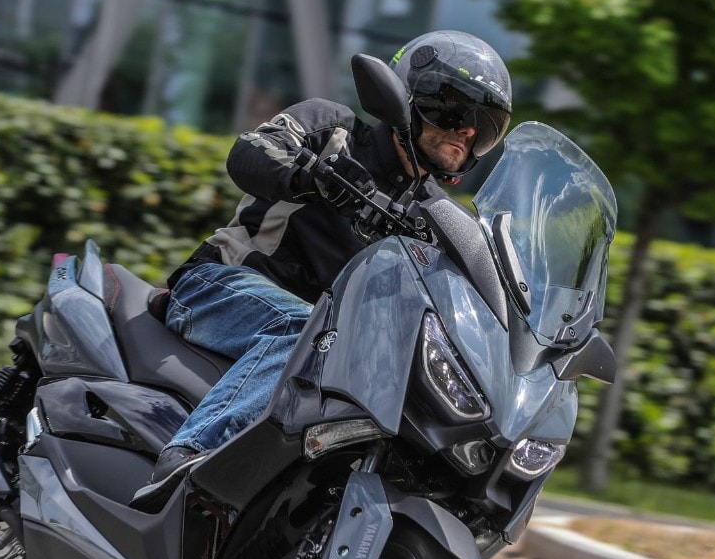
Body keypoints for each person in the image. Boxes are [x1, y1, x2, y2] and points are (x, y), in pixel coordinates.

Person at [132, 30, 513, 504]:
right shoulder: (333, 131)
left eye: (486, 125)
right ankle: (187, 463)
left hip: (330, 345)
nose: (468, 131)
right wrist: (311, 176)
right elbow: (250, 151)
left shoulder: (437, 217)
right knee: (312, 336)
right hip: (222, 284)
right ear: (409, 98)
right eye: (455, 111)